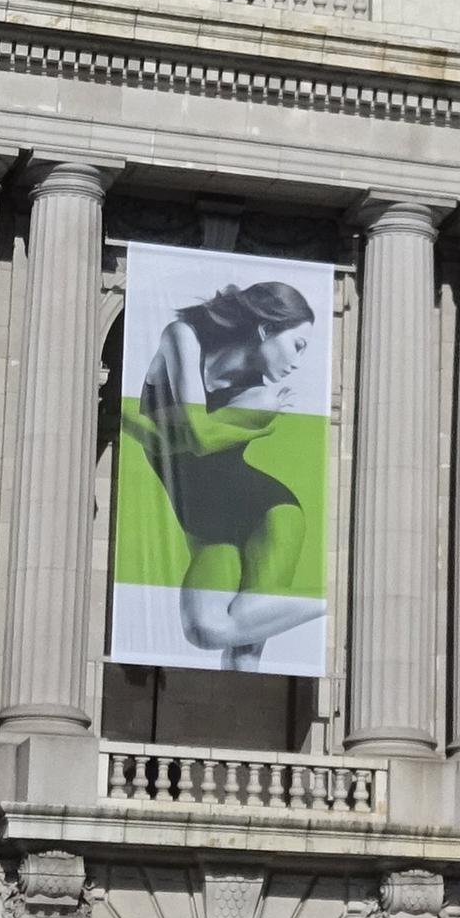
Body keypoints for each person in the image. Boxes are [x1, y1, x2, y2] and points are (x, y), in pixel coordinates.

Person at [130, 279, 326, 668]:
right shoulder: (182, 337)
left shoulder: (263, 394)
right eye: (297, 345)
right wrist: (254, 430)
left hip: (269, 514)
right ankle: (334, 600)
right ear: (267, 328)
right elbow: (198, 436)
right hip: (207, 527)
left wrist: (247, 427)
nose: (297, 362)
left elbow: (187, 440)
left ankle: (340, 602)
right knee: (205, 629)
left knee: (246, 652)